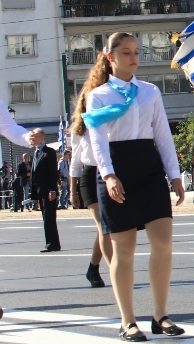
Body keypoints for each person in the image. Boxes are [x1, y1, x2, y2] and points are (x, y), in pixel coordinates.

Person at [83, 32, 186, 340]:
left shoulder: (149, 91)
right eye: (126, 52)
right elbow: (97, 140)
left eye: (136, 51)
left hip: (149, 168)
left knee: (163, 243)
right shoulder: (98, 95)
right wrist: (109, 175)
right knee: (124, 250)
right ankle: (128, 321)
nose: (133, 57)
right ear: (110, 57)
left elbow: (163, 135)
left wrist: (175, 174)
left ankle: (160, 314)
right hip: (118, 167)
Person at [70, 95, 113, 289]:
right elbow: (75, 162)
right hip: (88, 177)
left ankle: (93, 267)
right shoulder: (80, 129)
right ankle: (115, 270)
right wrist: (73, 191)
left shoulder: (108, 121)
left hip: (107, 174)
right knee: (104, 225)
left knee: (107, 227)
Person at [29, 129, 61, 253]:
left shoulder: (49, 152)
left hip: (48, 190)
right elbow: (35, 175)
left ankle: (52, 244)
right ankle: (53, 243)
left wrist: (53, 189)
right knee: (46, 217)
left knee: (49, 217)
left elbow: (53, 172)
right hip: (40, 191)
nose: (35, 139)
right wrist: (35, 195)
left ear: (43, 137)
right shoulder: (36, 152)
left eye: (37, 136)